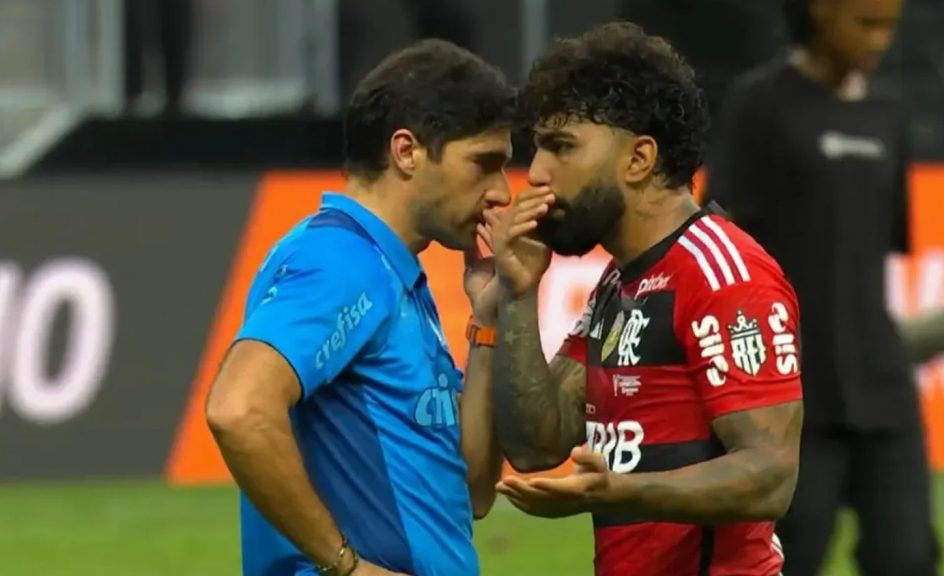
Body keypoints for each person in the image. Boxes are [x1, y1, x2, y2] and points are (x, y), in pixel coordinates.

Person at [485, 22, 804, 576]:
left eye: (561, 147)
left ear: (638, 160)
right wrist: (518, 291)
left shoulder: (723, 275)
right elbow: (539, 445)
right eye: (538, 148)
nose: (536, 172)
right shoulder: (619, 284)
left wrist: (621, 492)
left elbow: (770, 475)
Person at [204, 39, 515, 576]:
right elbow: (239, 409)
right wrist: (345, 566)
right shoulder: (340, 261)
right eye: (484, 165)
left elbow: (474, 491)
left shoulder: (392, 274)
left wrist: (486, 325)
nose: (502, 193)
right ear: (406, 151)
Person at [701, 0, 940, 574]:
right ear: (821, 11)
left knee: (909, 557)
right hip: (791, 387)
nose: (880, 39)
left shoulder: (890, 114)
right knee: (789, 557)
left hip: (882, 384)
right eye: (866, 22)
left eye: (888, 25)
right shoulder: (759, 104)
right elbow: (720, 238)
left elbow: (883, 244)